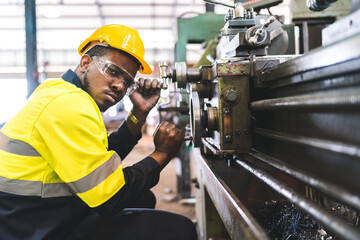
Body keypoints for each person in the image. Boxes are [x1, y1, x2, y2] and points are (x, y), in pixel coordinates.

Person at [0, 24, 197, 240]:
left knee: (143, 198)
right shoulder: (69, 105)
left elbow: (96, 163)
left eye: (127, 82)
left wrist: (139, 112)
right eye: (113, 71)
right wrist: (162, 154)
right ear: (86, 62)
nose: (120, 87)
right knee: (180, 229)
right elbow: (111, 198)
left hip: (32, 215)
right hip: (34, 229)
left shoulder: (59, 92)